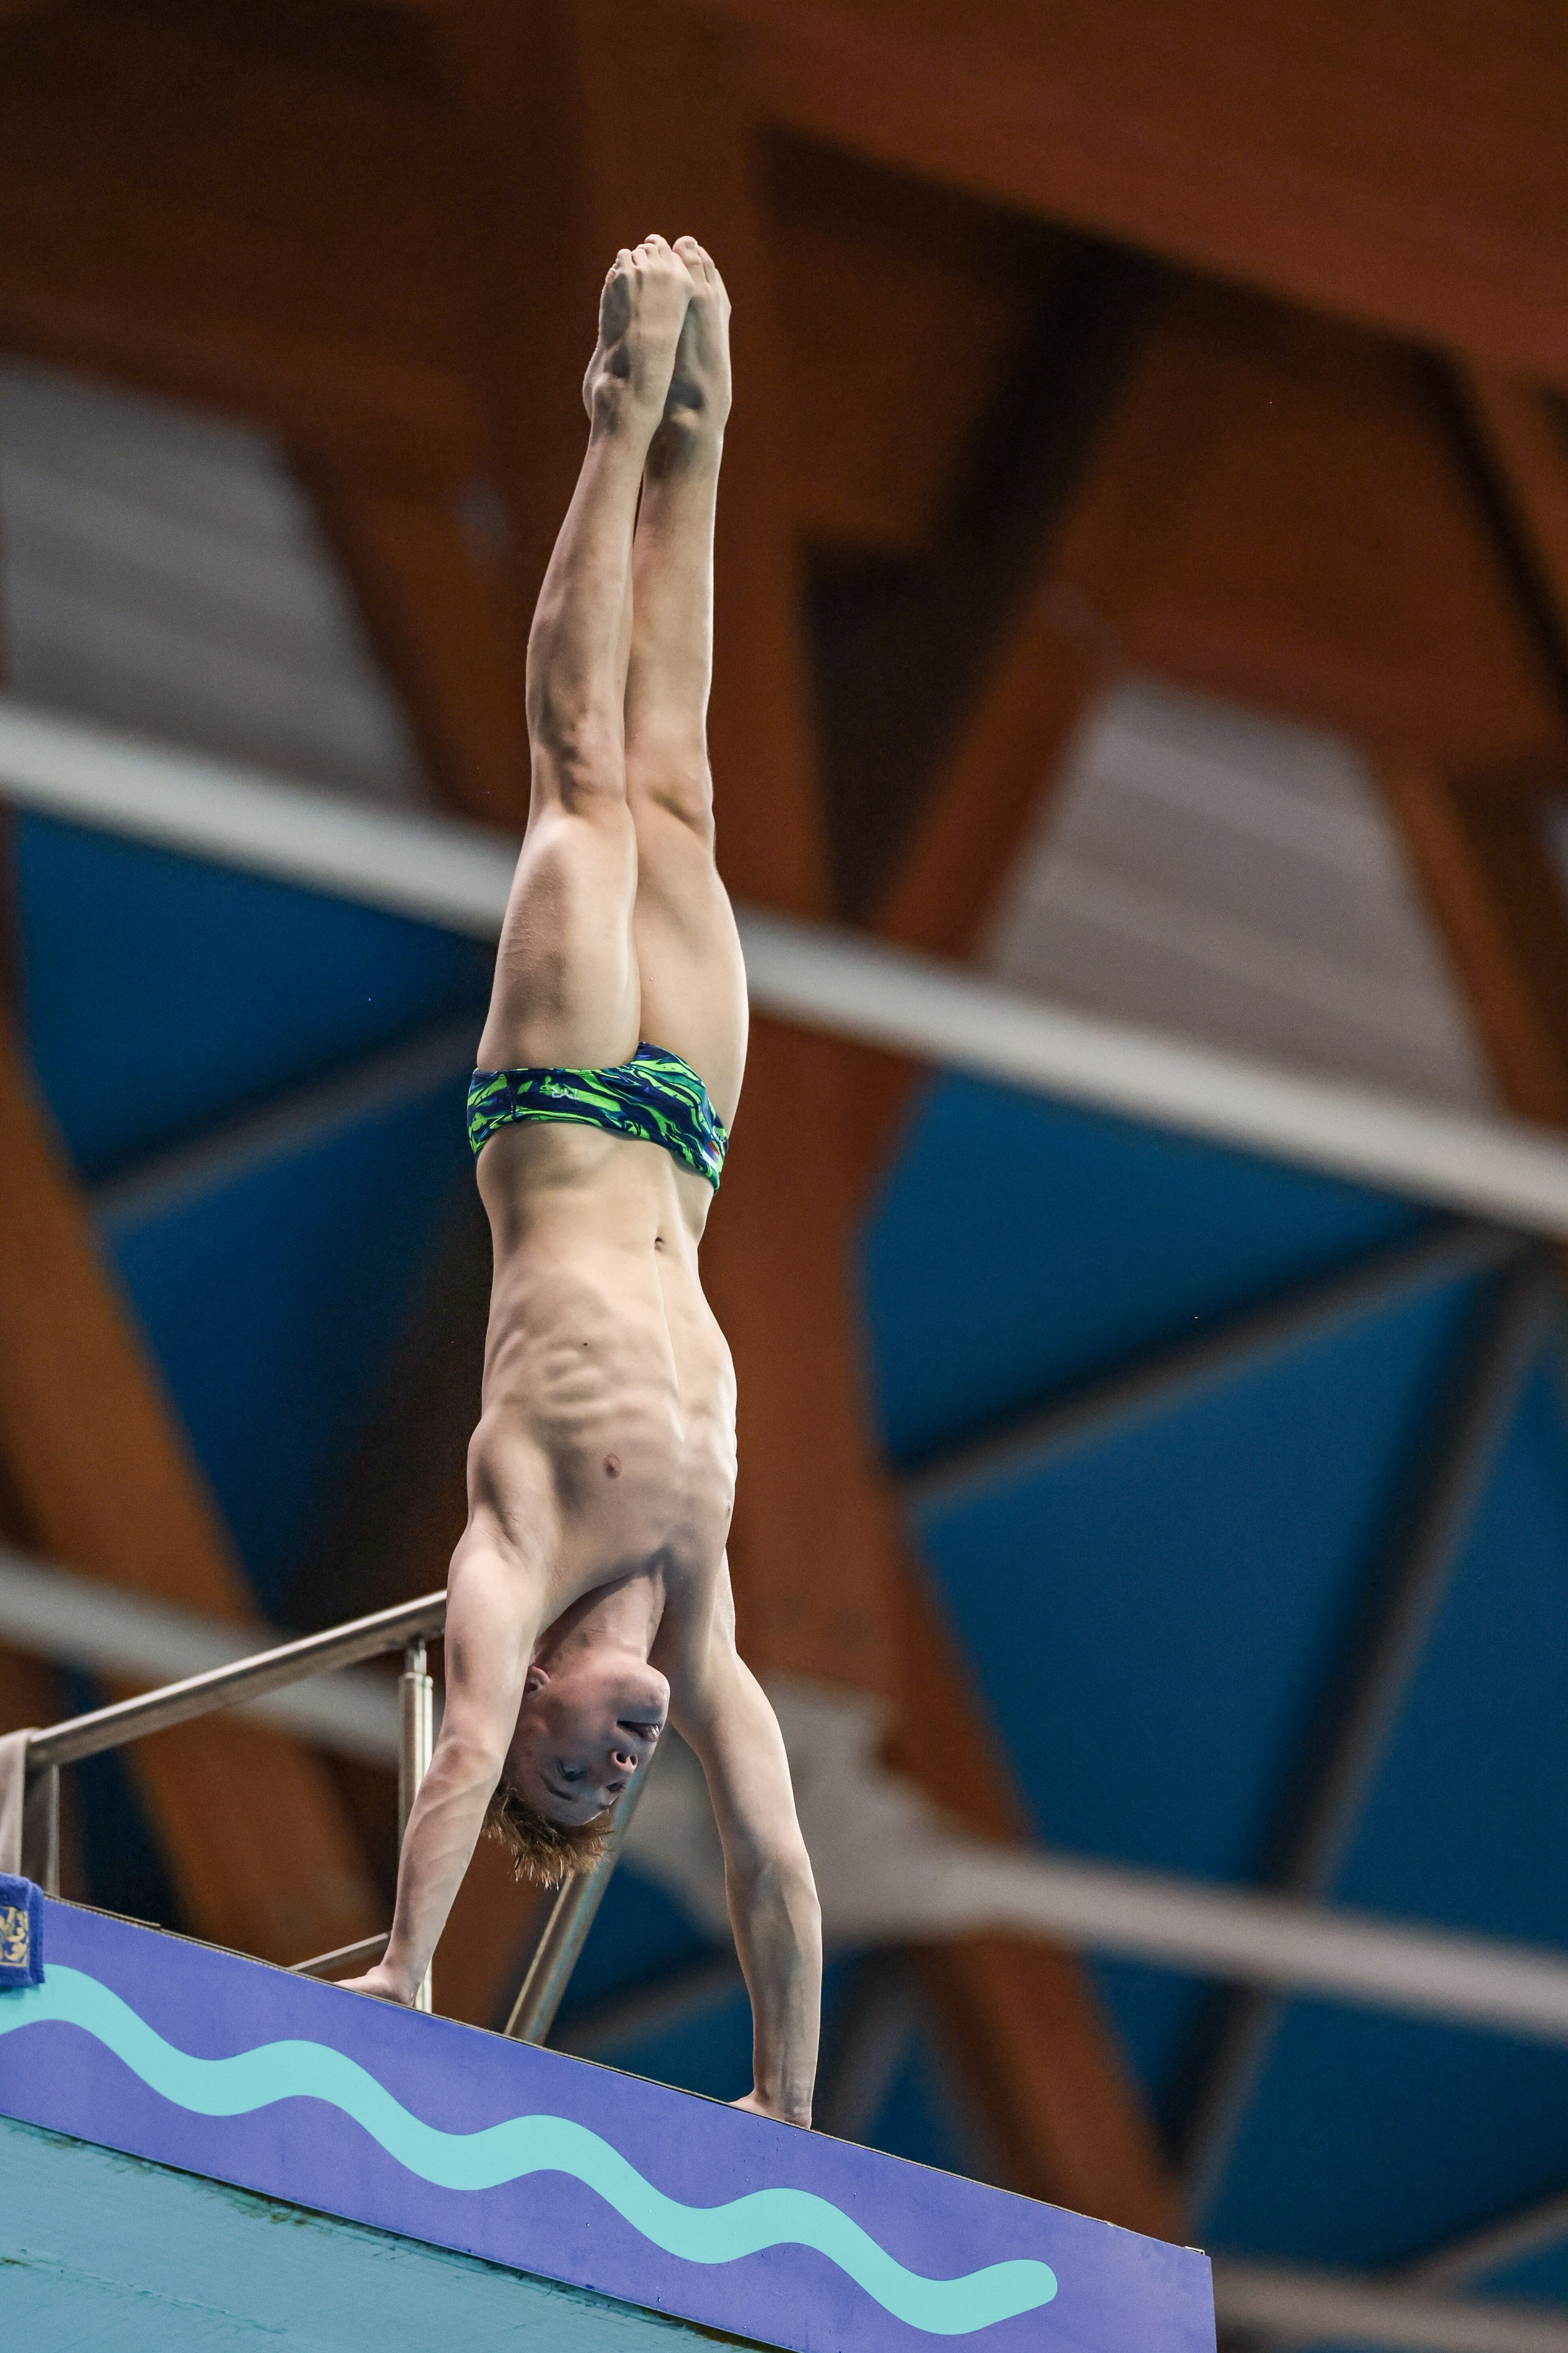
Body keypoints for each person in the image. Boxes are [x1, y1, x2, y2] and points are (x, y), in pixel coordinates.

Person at [344, 235, 821, 2129]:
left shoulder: (512, 1549)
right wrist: (784, 2093)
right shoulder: (697, 1607)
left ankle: (616, 420)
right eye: (611, 1791)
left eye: (577, 1766)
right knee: (681, 792)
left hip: (551, 1110)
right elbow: (771, 1847)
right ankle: (704, 432)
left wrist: (407, 1969)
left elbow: (453, 1751)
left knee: (581, 779)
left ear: (540, 1686)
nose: (611, 1769)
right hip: (685, 1135)